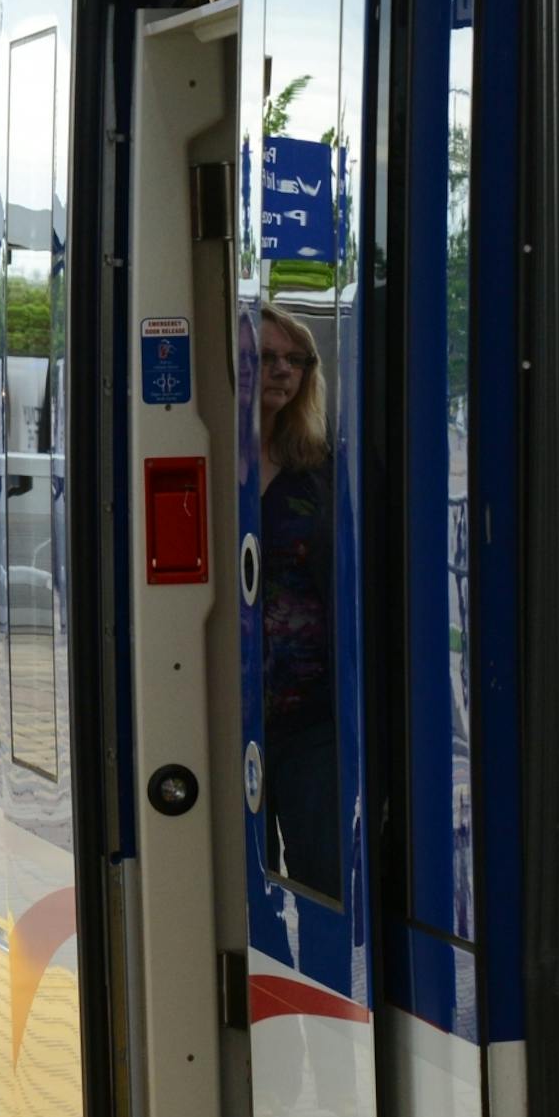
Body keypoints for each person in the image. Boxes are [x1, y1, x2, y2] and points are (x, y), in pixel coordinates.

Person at [254, 304, 340, 899]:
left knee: (321, 879)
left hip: (312, 720)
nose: (283, 371)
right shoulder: (207, 461)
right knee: (244, 884)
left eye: (296, 360)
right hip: (228, 718)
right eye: (265, 357)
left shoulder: (321, 471)